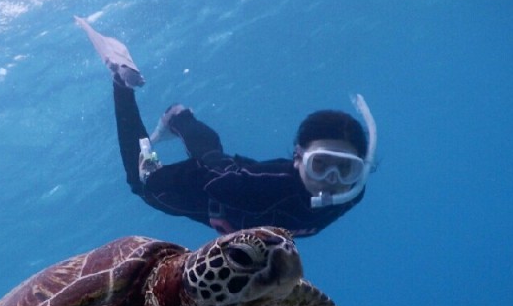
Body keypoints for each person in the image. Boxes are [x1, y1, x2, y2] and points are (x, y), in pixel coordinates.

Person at [76, 16, 376, 238]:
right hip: (200, 189)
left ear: (360, 171)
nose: (331, 180)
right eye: (320, 165)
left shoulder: (353, 193)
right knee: (142, 183)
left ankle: (179, 117)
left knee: (222, 160)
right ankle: (122, 84)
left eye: (346, 170)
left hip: (241, 183)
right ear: (298, 157)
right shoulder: (260, 184)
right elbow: (216, 173)